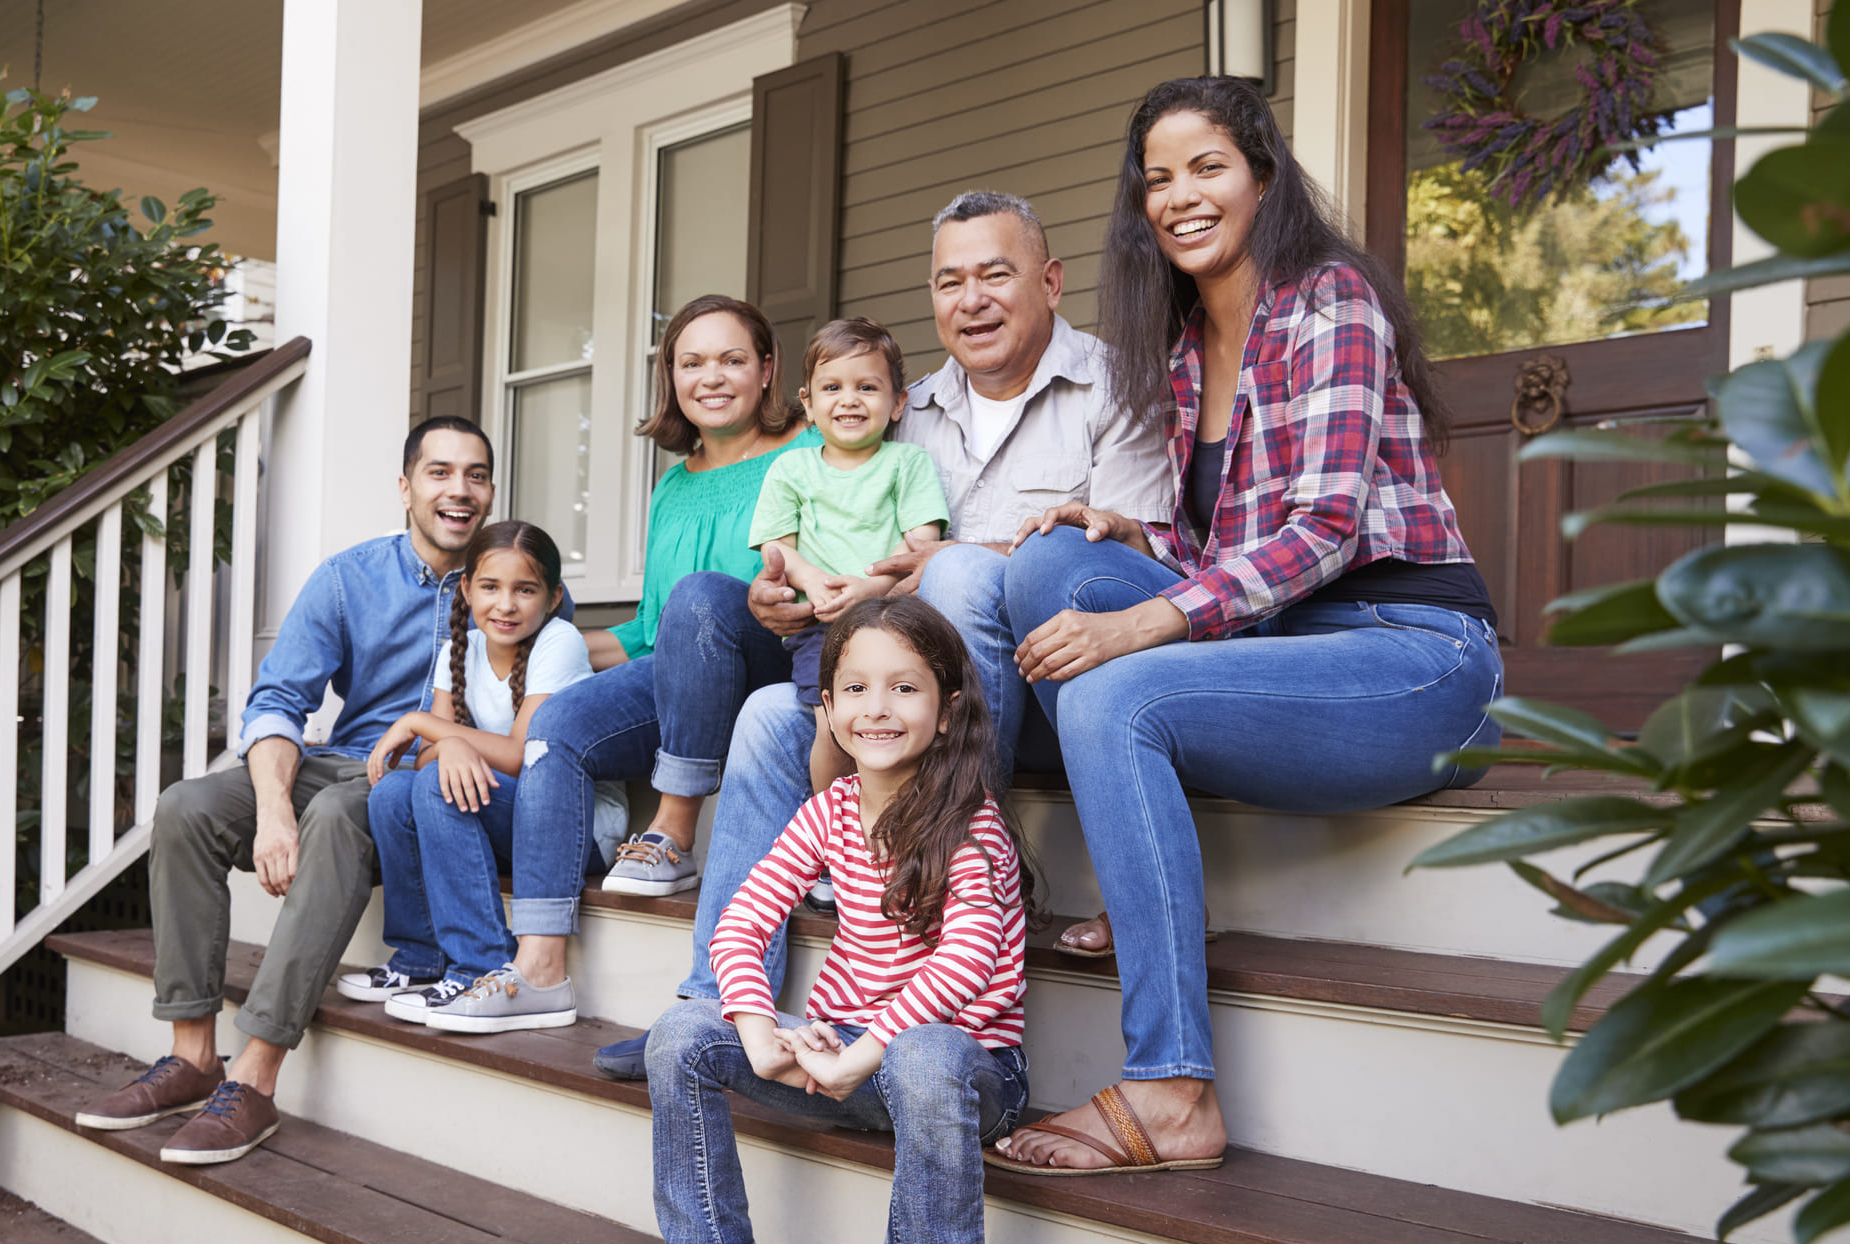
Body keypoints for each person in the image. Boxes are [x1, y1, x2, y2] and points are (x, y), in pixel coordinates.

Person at [987, 78, 1503, 1176]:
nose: (1179, 196)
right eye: (1157, 178)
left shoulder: (1330, 303)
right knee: (1046, 567)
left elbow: (1321, 531)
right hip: (1282, 646)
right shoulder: (1180, 350)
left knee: (1116, 688)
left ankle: (1173, 1087)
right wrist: (1121, 530)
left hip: (1407, 646)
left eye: (1206, 167)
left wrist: (1147, 623)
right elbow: (1225, 561)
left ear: (1262, 177)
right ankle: (1147, 889)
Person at [594, 191, 1170, 1080]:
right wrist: (782, 598)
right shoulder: (909, 408)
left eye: (995, 274)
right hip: (886, 698)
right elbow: (833, 530)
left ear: (1051, 283)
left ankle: (956, 844)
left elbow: (1131, 553)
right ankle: (711, 1005)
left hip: (1049, 692)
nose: (969, 299)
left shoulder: (1115, 385)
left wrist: (935, 571)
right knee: (762, 721)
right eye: (949, 281)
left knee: (964, 573)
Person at [630, 597, 1029, 1244]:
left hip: (959, 1070)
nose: (875, 709)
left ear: (949, 710)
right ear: (828, 706)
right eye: (854, 688)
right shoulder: (828, 812)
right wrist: (757, 1027)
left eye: (903, 689)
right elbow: (742, 919)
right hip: (842, 1058)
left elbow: (963, 963)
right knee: (680, 1033)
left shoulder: (972, 825)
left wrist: (864, 1049)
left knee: (923, 1053)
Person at [73, 416, 496, 1165]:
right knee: (186, 807)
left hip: (412, 782)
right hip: (336, 759)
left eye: (475, 475)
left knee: (335, 811)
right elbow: (277, 702)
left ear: (490, 492)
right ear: (405, 489)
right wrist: (272, 812)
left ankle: (256, 1074)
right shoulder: (349, 577)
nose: (457, 491)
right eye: (439, 473)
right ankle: (192, 1053)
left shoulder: (509, 580)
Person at [483, 296, 816, 1009]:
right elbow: (649, 627)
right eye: (691, 362)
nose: (711, 377)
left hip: (777, 663)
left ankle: (672, 829)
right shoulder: (672, 483)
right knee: (559, 726)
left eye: (731, 359)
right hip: (684, 670)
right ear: (671, 378)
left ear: (765, 370)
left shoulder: (808, 452)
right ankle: (539, 964)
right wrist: (540, 640)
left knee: (703, 596)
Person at [362, 521, 624, 1032]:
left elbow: (518, 755)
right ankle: (420, 957)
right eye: (490, 587)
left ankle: (480, 964)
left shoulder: (560, 641)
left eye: (525, 590)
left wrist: (425, 726)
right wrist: (448, 742)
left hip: (573, 829)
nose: (505, 604)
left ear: (552, 598)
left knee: (437, 786)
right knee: (393, 791)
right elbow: (426, 759)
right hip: (508, 814)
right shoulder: (458, 650)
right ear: (466, 588)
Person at [750, 317, 949, 797]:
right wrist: (813, 581)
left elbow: (920, 541)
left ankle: (900, 827)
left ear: (898, 402)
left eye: (867, 386)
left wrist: (871, 587)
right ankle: (834, 835)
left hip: (898, 619)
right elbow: (777, 546)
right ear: (809, 404)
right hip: (822, 626)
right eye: (832, 387)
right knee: (837, 728)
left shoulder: (907, 463)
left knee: (902, 731)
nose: (849, 399)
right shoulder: (791, 469)